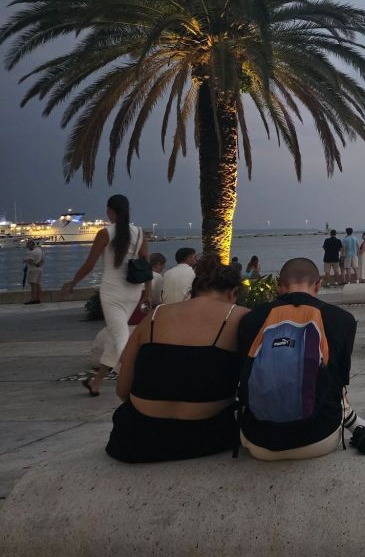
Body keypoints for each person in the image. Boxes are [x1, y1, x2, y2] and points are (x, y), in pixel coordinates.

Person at [237, 257, 365, 461]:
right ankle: (360, 425)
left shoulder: (251, 319)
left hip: (259, 442)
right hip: (319, 438)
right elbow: (340, 381)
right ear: (318, 285)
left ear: (279, 286)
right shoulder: (342, 319)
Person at [106, 257, 249, 463]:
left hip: (135, 439)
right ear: (233, 293)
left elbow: (122, 389)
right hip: (207, 436)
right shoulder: (240, 316)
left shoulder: (154, 316)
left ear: (194, 290)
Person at [62, 194, 151, 397]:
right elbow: (146, 265)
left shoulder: (105, 233)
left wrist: (73, 283)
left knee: (120, 338)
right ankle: (96, 382)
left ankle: (140, 383)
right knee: (115, 336)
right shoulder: (139, 233)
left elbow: (89, 264)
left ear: (109, 211)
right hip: (133, 292)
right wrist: (147, 292)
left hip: (112, 293)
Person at [23, 240, 44, 305]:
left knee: (33, 285)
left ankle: (33, 299)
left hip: (33, 270)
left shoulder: (32, 252)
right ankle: (38, 299)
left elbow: (30, 261)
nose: (28, 248)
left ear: (31, 245)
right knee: (38, 284)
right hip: (40, 269)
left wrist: (26, 261)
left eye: (28, 246)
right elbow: (42, 260)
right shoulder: (40, 250)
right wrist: (39, 265)